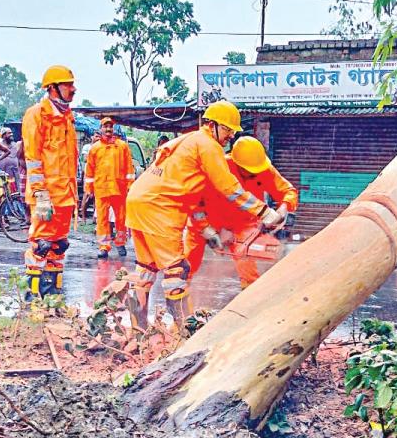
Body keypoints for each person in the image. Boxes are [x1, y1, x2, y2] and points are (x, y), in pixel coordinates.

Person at [125, 101, 282, 333]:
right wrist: (264, 212)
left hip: (139, 201)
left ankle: (138, 330)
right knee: (177, 271)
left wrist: (205, 228)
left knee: (145, 269)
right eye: (228, 129)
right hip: (160, 208)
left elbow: (193, 196)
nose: (231, 135)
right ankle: (185, 333)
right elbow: (229, 188)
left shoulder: (189, 140)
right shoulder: (208, 146)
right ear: (212, 124)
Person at [185, 136, 296, 289]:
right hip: (205, 222)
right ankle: (179, 299)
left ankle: (250, 297)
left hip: (243, 224)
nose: (253, 174)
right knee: (185, 268)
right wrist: (211, 231)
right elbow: (193, 203)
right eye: (248, 171)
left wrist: (284, 208)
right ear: (236, 163)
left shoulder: (262, 168)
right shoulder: (217, 168)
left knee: (248, 269)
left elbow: (288, 191)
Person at [22, 65, 79, 300]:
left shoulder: (67, 117)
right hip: (46, 196)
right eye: (68, 85)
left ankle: (53, 299)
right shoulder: (36, 114)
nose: (73, 89)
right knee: (41, 245)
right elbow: (32, 157)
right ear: (53, 88)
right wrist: (40, 194)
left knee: (58, 246)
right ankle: (33, 299)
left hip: (66, 195)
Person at [85, 116, 134, 259]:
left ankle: (120, 243)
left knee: (121, 218)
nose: (108, 129)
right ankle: (103, 246)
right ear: (101, 129)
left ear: (113, 129)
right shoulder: (95, 148)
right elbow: (90, 170)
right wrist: (89, 188)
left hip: (119, 189)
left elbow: (129, 168)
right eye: (105, 126)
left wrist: (130, 185)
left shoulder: (122, 146)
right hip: (101, 189)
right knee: (102, 219)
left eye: (110, 126)